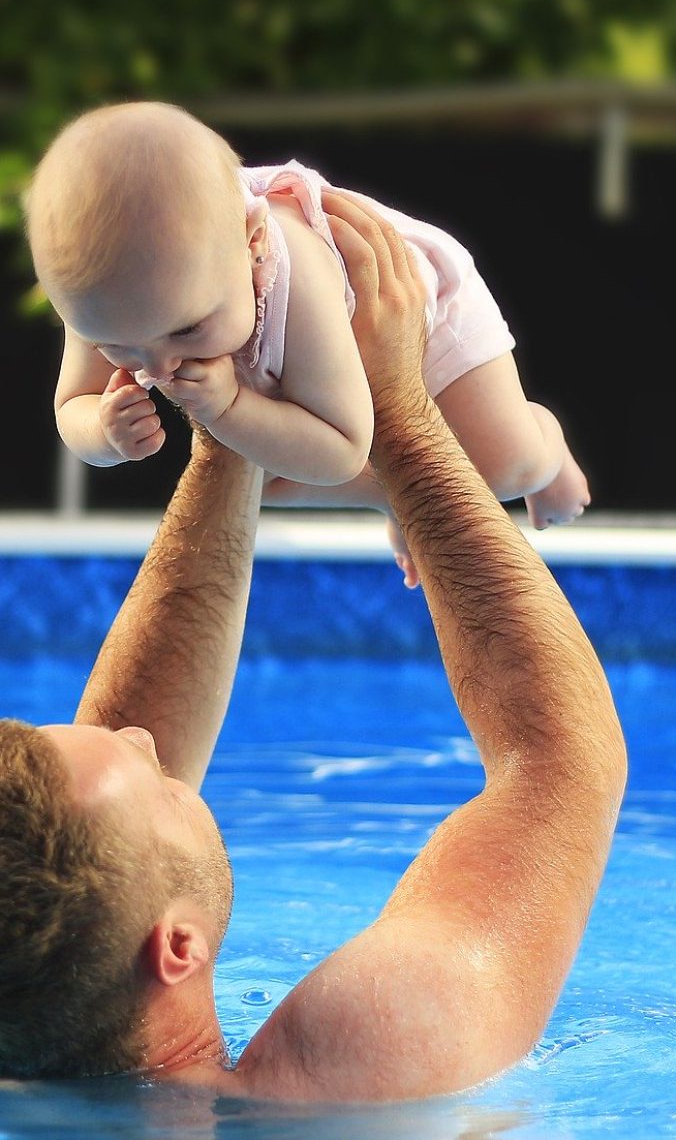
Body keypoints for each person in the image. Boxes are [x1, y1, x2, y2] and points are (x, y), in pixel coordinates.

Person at [0, 192, 626, 1099]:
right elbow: (562, 765)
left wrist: (235, 424)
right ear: (175, 949)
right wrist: (407, 416)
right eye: (154, 782)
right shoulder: (355, 1065)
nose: (142, 738)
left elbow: (91, 878)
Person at [25, 100, 590, 587]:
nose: (160, 364)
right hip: (318, 385)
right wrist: (102, 432)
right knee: (254, 480)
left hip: (417, 310)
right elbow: (71, 408)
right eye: (115, 346)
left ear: (251, 243)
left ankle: (547, 445)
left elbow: (343, 446)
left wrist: (229, 408)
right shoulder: (108, 293)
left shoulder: (297, 277)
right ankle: (398, 495)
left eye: (187, 330)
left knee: (500, 466)